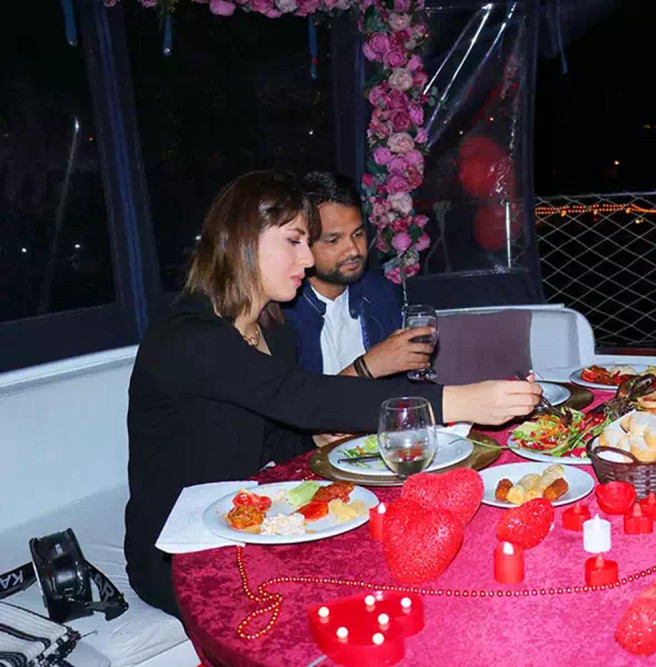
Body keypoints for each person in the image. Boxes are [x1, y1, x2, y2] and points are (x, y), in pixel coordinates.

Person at [124, 170, 540, 617]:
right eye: (294, 241)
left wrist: (317, 442)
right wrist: (457, 402)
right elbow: (299, 395)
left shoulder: (272, 332)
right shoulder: (189, 336)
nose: (305, 260)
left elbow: (273, 436)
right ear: (243, 240)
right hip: (181, 551)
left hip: (249, 522)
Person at [283, 171, 432, 379]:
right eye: (334, 240)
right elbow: (294, 405)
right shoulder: (283, 311)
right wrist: (368, 366)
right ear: (303, 244)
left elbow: (401, 388)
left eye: (357, 234)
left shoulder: (379, 293)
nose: (353, 250)